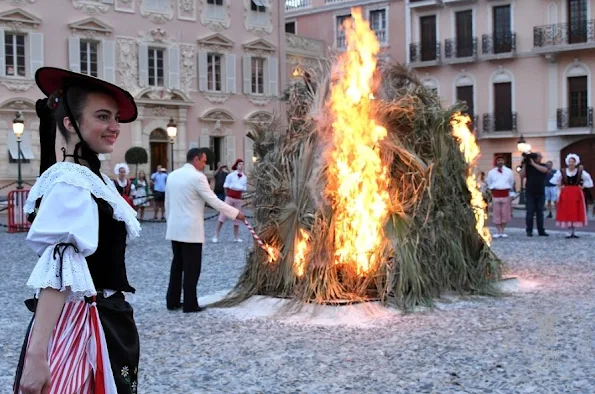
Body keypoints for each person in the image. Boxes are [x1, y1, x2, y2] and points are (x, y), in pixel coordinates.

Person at [14, 67, 141, 393]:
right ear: (70, 123)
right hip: (78, 326)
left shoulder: (97, 180)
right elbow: (59, 269)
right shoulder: (71, 182)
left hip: (106, 320)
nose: (114, 127)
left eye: (115, 118)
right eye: (102, 117)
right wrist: (37, 355)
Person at [165, 148, 245, 313]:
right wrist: (236, 213)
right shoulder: (198, 177)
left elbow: (168, 203)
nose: (204, 164)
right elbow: (213, 200)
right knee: (192, 268)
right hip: (190, 230)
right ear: (196, 159)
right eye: (203, 161)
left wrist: (169, 221)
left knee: (177, 265)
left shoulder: (172, 175)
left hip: (175, 228)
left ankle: (172, 300)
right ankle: (190, 303)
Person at [549, 154, 593, 238]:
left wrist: (583, 186)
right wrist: (560, 186)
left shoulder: (580, 172)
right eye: (569, 161)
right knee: (567, 210)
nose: (571, 163)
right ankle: (569, 230)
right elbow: (554, 180)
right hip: (566, 193)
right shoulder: (562, 171)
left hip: (576, 193)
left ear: (576, 162)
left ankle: (574, 231)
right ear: (567, 162)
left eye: (572, 162)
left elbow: (589, 181)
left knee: (576, 211)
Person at [212, 159, 248, 243]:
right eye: (239, 164)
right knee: (222, 215)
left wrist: (240, 196)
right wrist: (227, 196)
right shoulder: (231, 175)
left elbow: (243, 188)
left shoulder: (244, 177)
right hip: (229, 197)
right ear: (236, 166)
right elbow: (226, 186)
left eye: (242, 164)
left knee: (237, 218)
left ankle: (236, 237)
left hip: (238, 198)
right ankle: (216, 235)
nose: (241, 166)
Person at [519, 152, 549, 237]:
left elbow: (544, 170)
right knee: (530, 212)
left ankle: (541, 230)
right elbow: (522, 176)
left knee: (540, 212)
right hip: (530, 192)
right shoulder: (528, 167)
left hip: (540, 192)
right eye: (537, 156)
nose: (539, 158)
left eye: (539, 156)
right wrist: (525, 165)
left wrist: (533, 164)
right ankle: (529, 231)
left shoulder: (543, 165)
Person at [486, 155, 515, 238]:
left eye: (502, 160)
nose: (500, 162)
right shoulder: (491, 172)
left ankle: (503, 231)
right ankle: (498, 231)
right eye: (498, 160)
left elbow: (511, 182)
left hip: (505, 194)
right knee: (496, 213)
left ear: (504, 161)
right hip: (496, 194)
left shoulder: (509, 171)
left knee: (505, 213)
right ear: (496, 161)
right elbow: (489, 182)